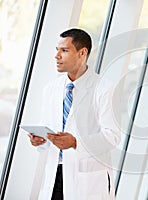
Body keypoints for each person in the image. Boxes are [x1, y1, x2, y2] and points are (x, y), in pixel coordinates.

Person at [28, 28, 121, 200]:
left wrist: (76, 142)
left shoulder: (105, 89)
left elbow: (112, 136)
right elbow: (48, 129)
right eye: (57, 50)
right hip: (56, 175)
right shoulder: (51, 89)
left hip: (88, 179)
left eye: (64, 50)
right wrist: (39, 140)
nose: (57, 56)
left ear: (82, 53)